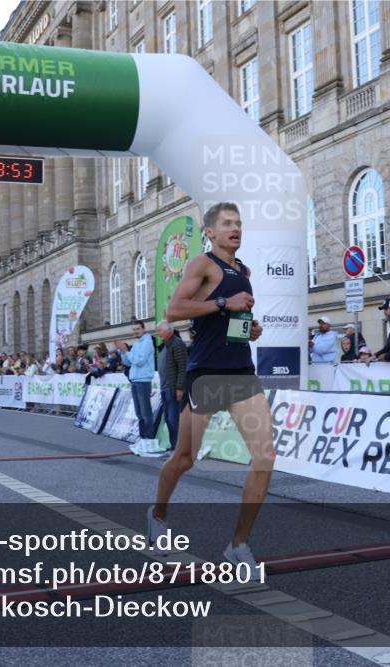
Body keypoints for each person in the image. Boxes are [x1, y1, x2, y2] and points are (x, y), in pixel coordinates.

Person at [148, 201, 269, 580]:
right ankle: (158, 515)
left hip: (242, 372)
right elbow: (174, 310)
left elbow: (233, 320)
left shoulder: (244, 271)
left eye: (239, 223)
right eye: (227, 223)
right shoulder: (202, 264)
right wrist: (223, 302)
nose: (236, 228)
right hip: (207, 374)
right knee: (185, 458)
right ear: (211, 233)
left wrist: (249, 329)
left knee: (265, 457)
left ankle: (238, 546)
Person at [117, 321, 158, 453]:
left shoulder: (147, 342)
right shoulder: (137, 343)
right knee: (139, 413)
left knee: (145, 412)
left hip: (143, 380)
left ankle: (148, 439)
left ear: (144, 329)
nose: (136, 331)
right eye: (134, 329)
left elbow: (139, 361)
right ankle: (143, 438)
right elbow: (129, 362)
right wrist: (123, 352)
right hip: (135, 380)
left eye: (138, 329)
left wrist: (126, 351)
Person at [157, 321, 188, 452]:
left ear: (169, 330)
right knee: (168, 419)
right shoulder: (166, 345)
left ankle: (179, 447)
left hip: (172, 389)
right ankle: (174, 445)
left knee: (173, 419)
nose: (158, 334)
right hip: (164, 388)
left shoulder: (177, 344)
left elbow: (182, 367)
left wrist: (179, 388)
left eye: (160, 330)